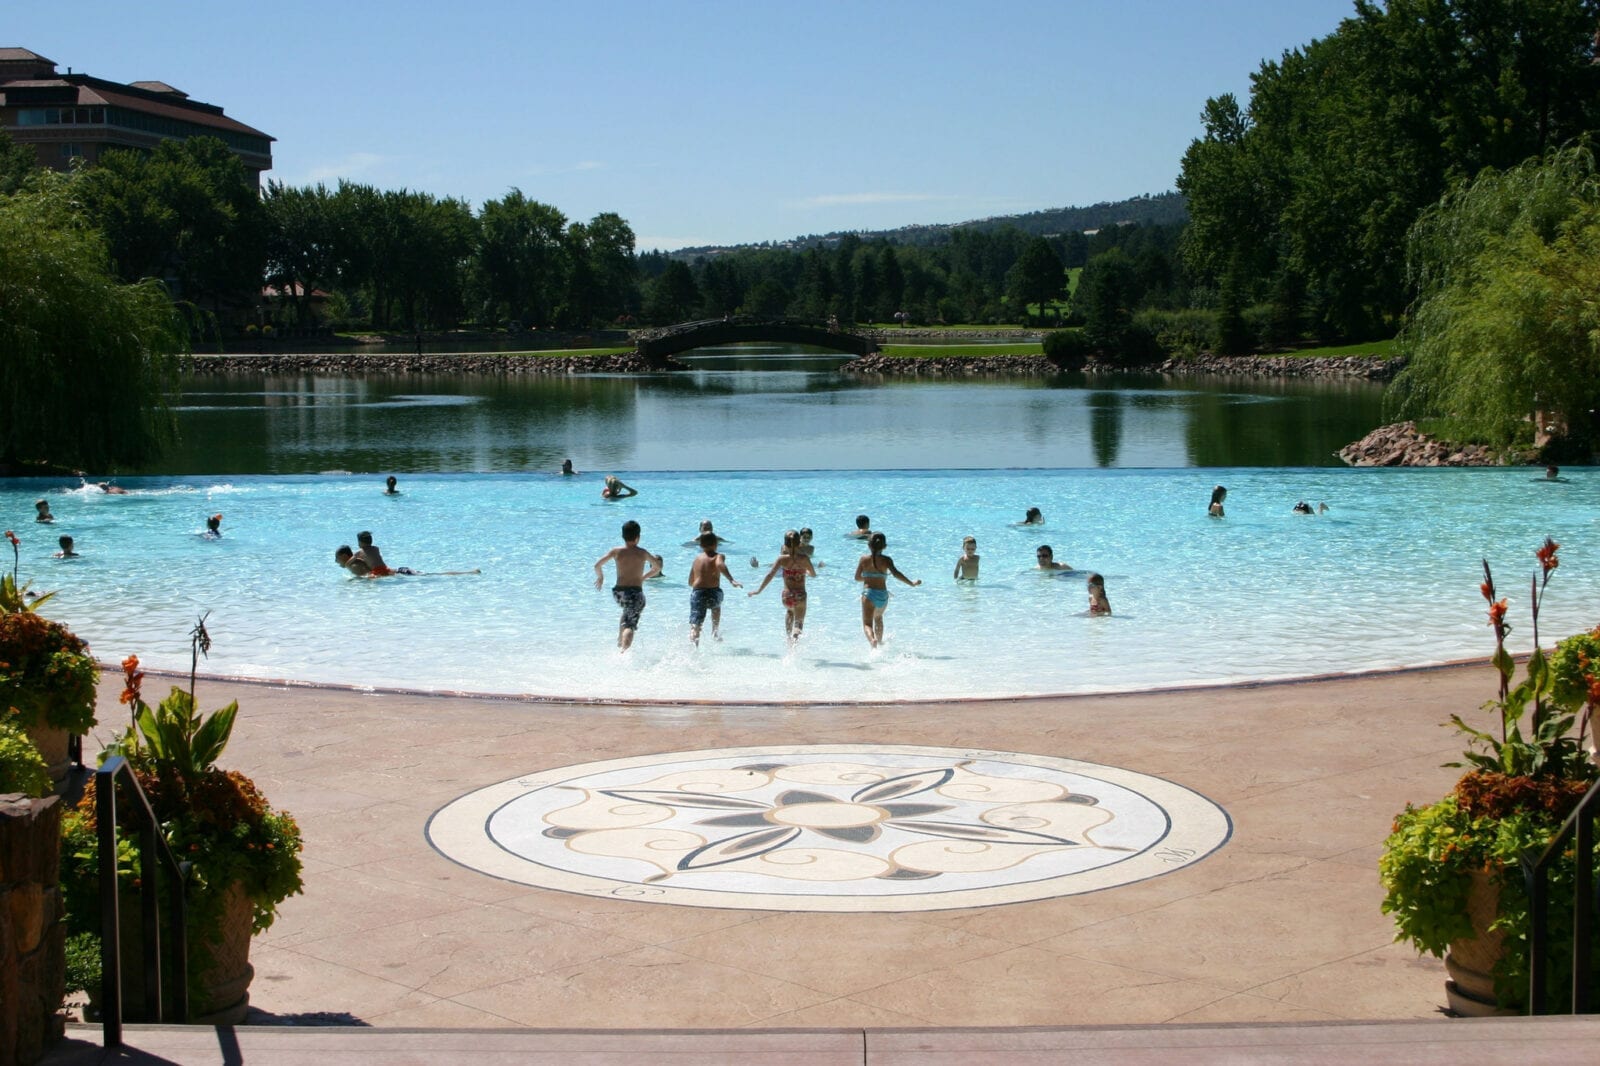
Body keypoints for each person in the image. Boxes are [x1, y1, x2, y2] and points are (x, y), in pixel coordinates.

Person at [594, 519, 660, 651]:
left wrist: (601, 577)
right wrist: (643, 578)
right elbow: (657, 567)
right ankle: (623, 653)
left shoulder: (616, 551)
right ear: (638, 537)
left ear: (623, 536)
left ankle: (619, 641)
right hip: (635, 593)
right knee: (630, 625)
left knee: (626, 612)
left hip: (618, 593)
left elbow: (597, 565)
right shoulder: (642, 553)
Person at [854, 531, 920, 648]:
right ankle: (879, 643)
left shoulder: (863, 559)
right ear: (884, 546)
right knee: (878, 618)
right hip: (883, 596)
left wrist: (868, 577)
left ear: (869, 545)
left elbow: (857, 577)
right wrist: (911, 583)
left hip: (868, 594)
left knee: (867, 624)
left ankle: (872, 641)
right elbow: (896, 574)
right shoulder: (887, 560)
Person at [750, 529, 817, 643]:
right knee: (798, 622)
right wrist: (806, 572)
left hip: (786, 596)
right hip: (800, 595)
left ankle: (788, 639)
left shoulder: (781, 559)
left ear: (785, 544)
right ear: (798, 542)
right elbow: (813, 574)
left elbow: (770, 575)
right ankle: (795, 638)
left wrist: (758, 591)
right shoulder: (804, 558)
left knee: (790, 612)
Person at [688, 532, 742, 644]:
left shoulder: (697, 559)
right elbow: (719, 565)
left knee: (696, 624)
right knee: (716, 607)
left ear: (701, 545)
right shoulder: (718, 556)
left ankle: (694, 641)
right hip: (713, 592)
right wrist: (731, 579)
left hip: (698, 592)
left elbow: (690, 581)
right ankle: (715, 631)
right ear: (716, 544)